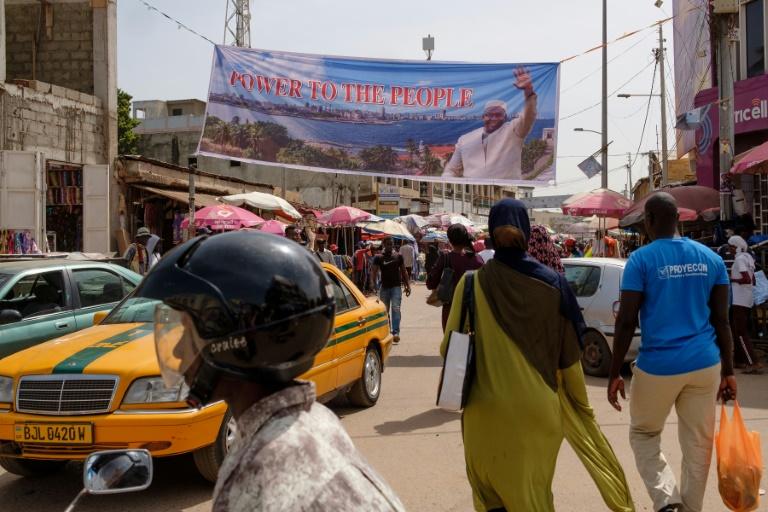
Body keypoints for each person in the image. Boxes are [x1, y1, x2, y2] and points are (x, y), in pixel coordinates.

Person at [136, 231, 405, 511]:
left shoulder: (270, 471)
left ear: (235, 340)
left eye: (188, 332)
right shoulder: (305, 421)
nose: (178, 350)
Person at [443, 199, 633, 512]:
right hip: (537, 414)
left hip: (482, 415)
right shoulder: (554, 283)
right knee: (533, 499)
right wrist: (580, 407)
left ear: (491, 231)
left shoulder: (470, 284)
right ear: (527, 232)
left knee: (490, 500)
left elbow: (449, 346)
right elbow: (570, 357)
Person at [608, 193, 738, 512]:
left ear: (649, 221)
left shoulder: (640, 260)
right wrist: (729, 371)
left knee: (643, 433)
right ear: (678, 219)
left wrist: (614, 373)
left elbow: (626, 322)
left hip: (658, 367)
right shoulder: (712, 259)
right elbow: (723, 321)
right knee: (698, 445)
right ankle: (691, 508)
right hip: (705, 364)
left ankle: (667, 501)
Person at [442, 67, 537, 180]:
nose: (493, 118)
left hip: (506, 193)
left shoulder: (513, 131)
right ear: (483, 117)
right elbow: (451, 170)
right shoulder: (465, 139)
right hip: (472, 195)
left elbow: (529, 116)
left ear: (505, 117)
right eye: (489, 114)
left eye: (498, 114)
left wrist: (528, 92)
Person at [427, 224, 483, 331]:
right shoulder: (477, 259)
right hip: (473, 312)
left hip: (450, 311)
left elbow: (430, 284)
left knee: (452, 344)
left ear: (449, 239)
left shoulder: (445, 258)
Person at [728, 235, 762, 373]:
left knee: (741, 332)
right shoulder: (748, 258)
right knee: (737, 330)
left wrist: (732, 280)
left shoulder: (740, 259)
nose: (729, 249)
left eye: (730, 246)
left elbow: (747, 279)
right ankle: (739, 360)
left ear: (736, 247)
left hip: (739, 299)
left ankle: (752, 362)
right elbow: (753, 280)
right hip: (746, 299)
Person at [371, 237, 411, 344]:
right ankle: (387, 331)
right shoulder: (378, 257)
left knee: (395, 308)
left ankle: (395, 332)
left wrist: (408, 285)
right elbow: (373, 272)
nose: (390, 246)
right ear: (383, 244)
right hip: (384, 288)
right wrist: (373, 284)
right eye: (388, 244)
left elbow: (404, 271)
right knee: (385, 311)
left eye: (391, 244)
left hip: (396, 287)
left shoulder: (398, 256)